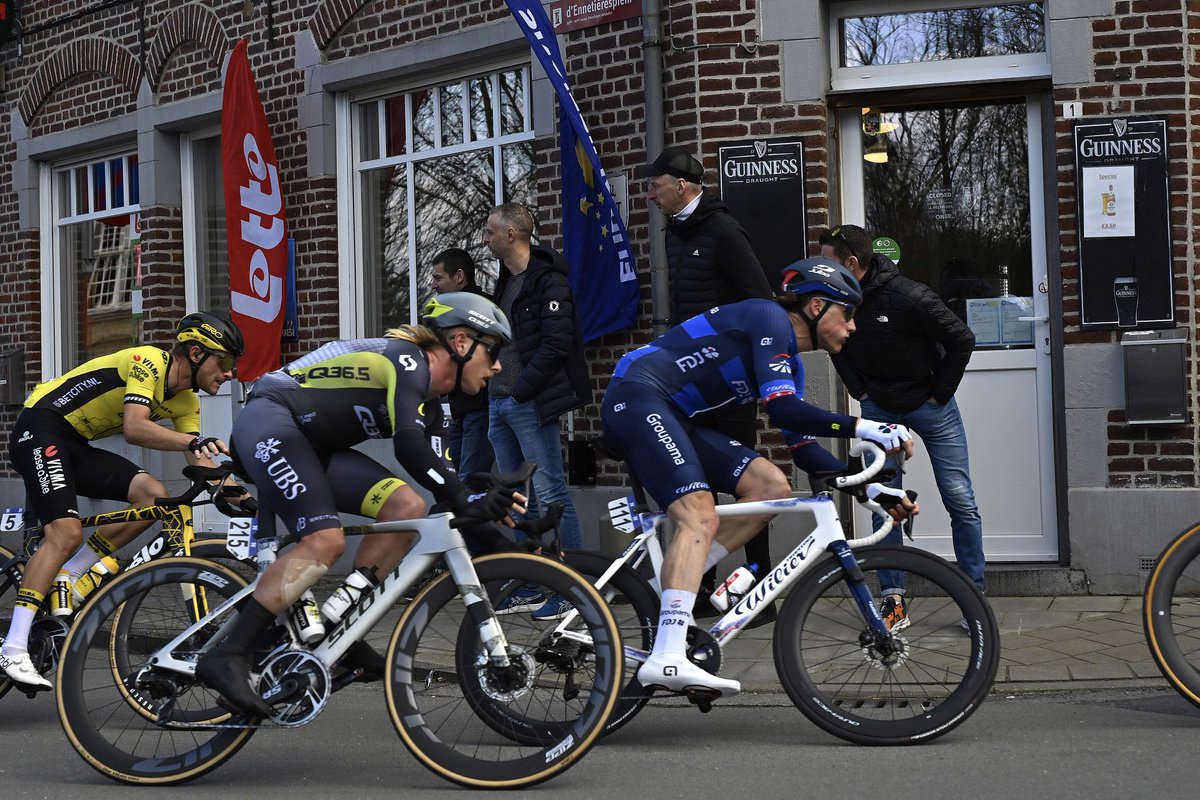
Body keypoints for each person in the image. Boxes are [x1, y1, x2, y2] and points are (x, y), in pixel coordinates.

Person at [195, 292, 525, 717]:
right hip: (269, 420)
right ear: (461, 342)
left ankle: (337, 627)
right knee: (325, 541)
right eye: (493, 351)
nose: (497, 365)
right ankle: (228, 653)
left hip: (310, 443)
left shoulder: (436, 408)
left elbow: (447, 499)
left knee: (407, 510)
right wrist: (465, 495)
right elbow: (408, 446)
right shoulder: (407, 361)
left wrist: (516, 550)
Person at [600, 257, 918, 697]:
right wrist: (865, 427)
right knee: (700, 515)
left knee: (771, 487)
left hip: (670, 413)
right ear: (816, 307)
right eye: (847, 314)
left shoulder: (788, 362)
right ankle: (669, 654)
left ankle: (665, 590)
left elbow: (805, 450)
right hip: (637, 397)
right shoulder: (767, 317)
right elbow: (785, 411)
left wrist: (868, 486)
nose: (853, 327)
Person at [0, 312, 247, 691]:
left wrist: (236, 490)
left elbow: (199, 457)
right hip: (40, 428)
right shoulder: (146, 361)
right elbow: (135, 427)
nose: (229, 373)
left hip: (75, 444)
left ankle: (73, 573)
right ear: (196, 353)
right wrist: (193, 443)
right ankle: (13, 645)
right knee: (64, 534)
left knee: (155, 496)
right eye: (225, 362)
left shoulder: (185, 403)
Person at [820, 224, 984, 632]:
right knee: (884, 503)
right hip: (880, 409)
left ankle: (974, 599)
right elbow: (834, 346)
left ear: (852, 263)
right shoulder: (836, 299)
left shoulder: (909, 295)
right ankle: (893, 600)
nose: (820, 270)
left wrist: (939, 394)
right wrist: (859, 390)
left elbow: (962, 338)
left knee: (960, 499)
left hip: (932, 408)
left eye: (828, 262)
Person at [641, 145, 778, 624]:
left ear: (681, 186)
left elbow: (759, 300)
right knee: (697, 480)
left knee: (747, 479)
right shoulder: (676, 233)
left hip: (730, 380)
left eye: (655, 187)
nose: (650, 196)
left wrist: (742, 361)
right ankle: (699, 588)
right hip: (688, 379)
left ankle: (760, 590)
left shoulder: (722, 231)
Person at [482, 202, 587, 621]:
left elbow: (556, 343)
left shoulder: (548, 281)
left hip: (527, 402)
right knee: (519, 498)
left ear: (511, 235)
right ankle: (533, 580)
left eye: (490, 231)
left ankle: (575, 585)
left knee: (551, 491)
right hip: (497, 401)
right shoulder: (504, 280)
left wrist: (522, 390)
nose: (485, 239)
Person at [429, 247, 495, 478]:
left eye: (438, 278)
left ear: (459, 276)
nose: (433, 285)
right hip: (458, 412)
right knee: (452, 482)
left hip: (481, 411)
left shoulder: (484, 310)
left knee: (469, 482)